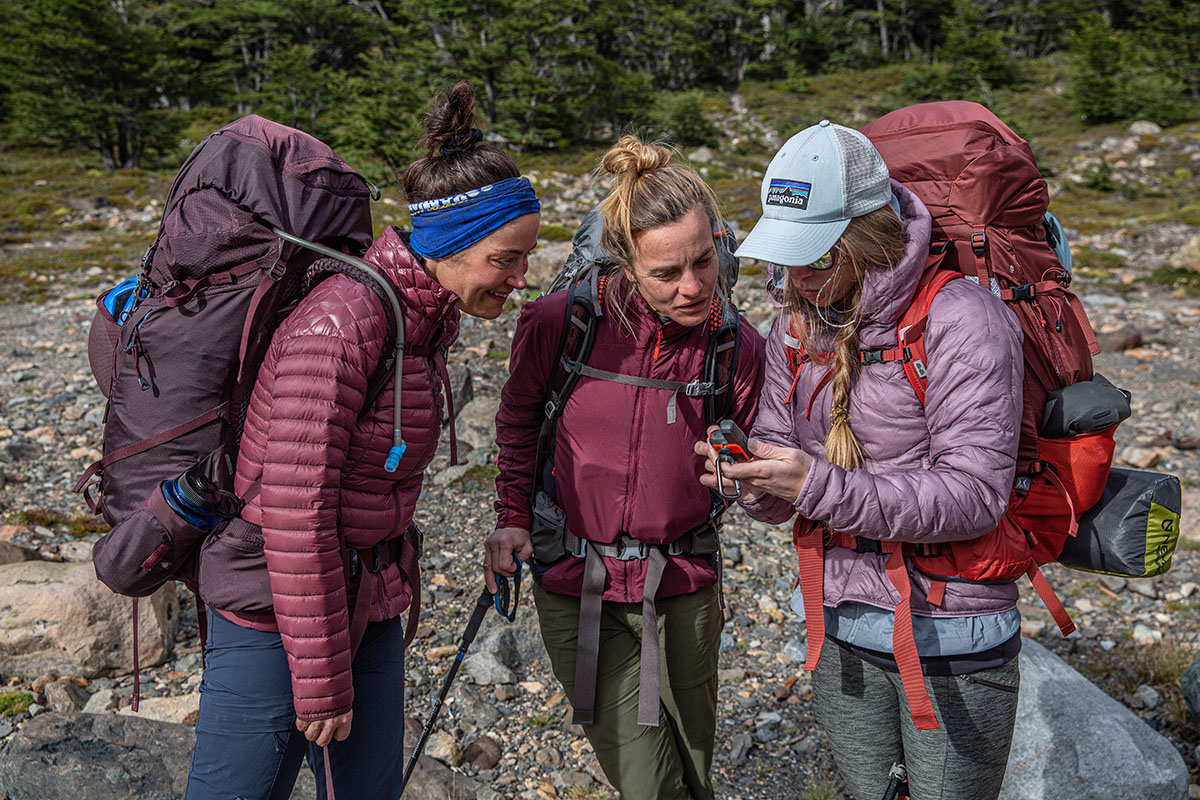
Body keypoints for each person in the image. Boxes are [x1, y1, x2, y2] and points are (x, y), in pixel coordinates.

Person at [184, 82, 540, 800]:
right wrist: (318, 683)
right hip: (271, 619)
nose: (521, 279)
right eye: (507, 259)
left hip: (368, 599)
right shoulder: (343, 324)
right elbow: (294, 509)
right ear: (450, 246)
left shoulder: (422, 319)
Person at [696, 120, 1025, 800]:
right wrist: (753, 483)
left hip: (953, 633)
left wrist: (815, 483)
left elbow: (974, 496)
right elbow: (784, 468)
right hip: (838, 622)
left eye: (816, 258)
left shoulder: (964, 319)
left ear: (866, 240)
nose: (794, 278)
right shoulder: (791, 324)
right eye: (787, 257)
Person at [485, 135, 765, 800]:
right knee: (648, 781)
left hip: (685, 583)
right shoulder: (561, 323)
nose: (693, 286)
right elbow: (519, 422)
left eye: (705, 262)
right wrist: (509, 519)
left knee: (695, 766)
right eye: (667, 274)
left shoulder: (734, 344)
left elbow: (766, 452)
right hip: (576, 580)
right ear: (625, 264)